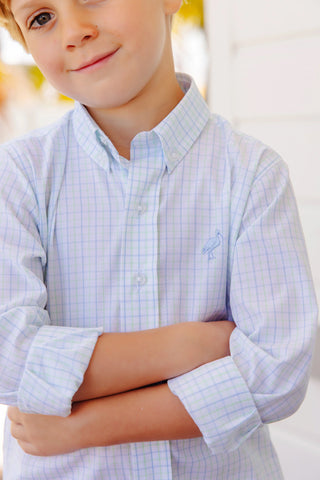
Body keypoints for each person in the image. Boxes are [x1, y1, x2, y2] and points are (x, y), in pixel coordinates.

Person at [0, 0, 318, 478]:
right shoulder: (18, 178)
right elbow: (8, 356)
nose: (75, 31)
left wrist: (82, 426)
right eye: (41, 18)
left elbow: (276, 373)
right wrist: (189, 345)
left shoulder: (252, 175)